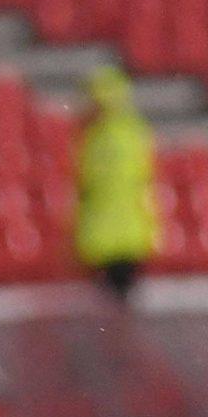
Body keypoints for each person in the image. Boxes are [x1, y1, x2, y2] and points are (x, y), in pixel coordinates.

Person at [73, 65, 159, 300]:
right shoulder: (129, 131)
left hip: (112, 231)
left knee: (114, 299)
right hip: (119, 230)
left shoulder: (102, 135)